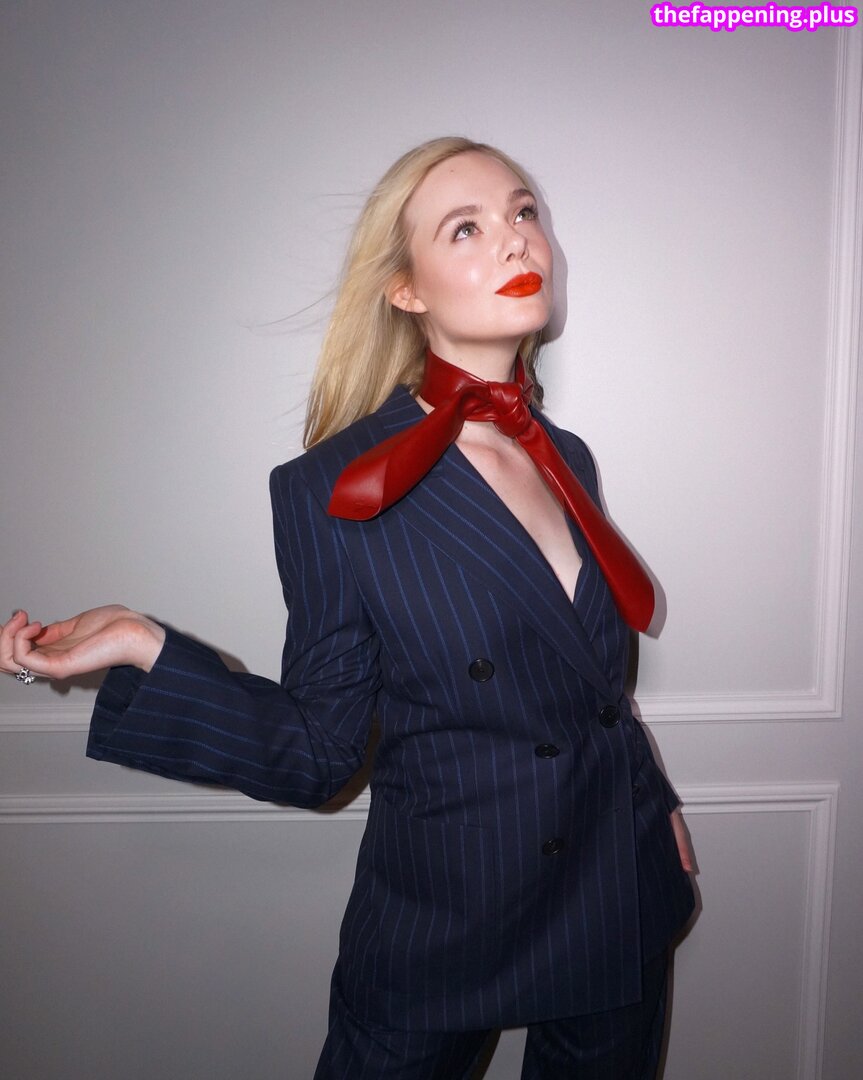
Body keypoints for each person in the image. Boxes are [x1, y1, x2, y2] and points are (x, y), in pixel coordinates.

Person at [1, 137, 695, 1079]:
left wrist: (652, 805)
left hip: (617, 885)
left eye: (523, 211)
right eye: (466, 227)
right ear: (405, 289)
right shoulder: (335, 486)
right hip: (445, 917)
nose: (515, 240)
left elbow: (589, 687)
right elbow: (322, 753)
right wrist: (145, 646)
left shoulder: (564, 455)